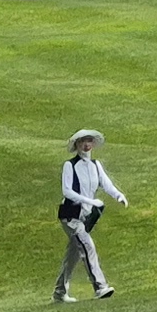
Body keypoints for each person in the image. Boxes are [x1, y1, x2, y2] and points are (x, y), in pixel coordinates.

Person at [54, 128, 128, 302]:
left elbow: (106, 184)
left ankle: (59, 292)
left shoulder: (96, 165)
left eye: (89, 141)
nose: (86, 145)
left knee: (73, 253)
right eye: (82, 142)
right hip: (71, 214)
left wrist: (118, 195)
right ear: (77, 145)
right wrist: (89, 201)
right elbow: (67, 191)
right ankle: (100, 287)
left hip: (86, 215)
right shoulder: (70, 165)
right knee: (87, 245)